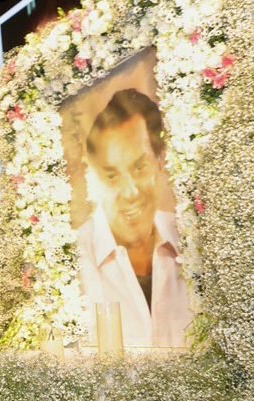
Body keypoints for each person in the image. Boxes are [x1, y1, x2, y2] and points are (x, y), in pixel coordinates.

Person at [75, 88, 191, 347]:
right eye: (112, 176)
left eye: (140, 167)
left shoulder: (192, 237)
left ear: (161, 161)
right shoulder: (73, 259)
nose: (130, 193)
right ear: (92, 177)